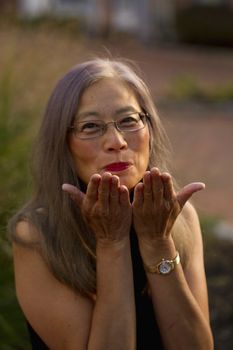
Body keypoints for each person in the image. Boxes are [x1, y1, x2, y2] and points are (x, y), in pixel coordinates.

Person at [9, 58, 214, 350]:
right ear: (62, 143)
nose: (116, 141)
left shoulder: (179, 218)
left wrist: (158, 242)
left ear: (150, 129)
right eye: (91, 126)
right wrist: (112, 242)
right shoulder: (39, 234)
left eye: (129, 121)